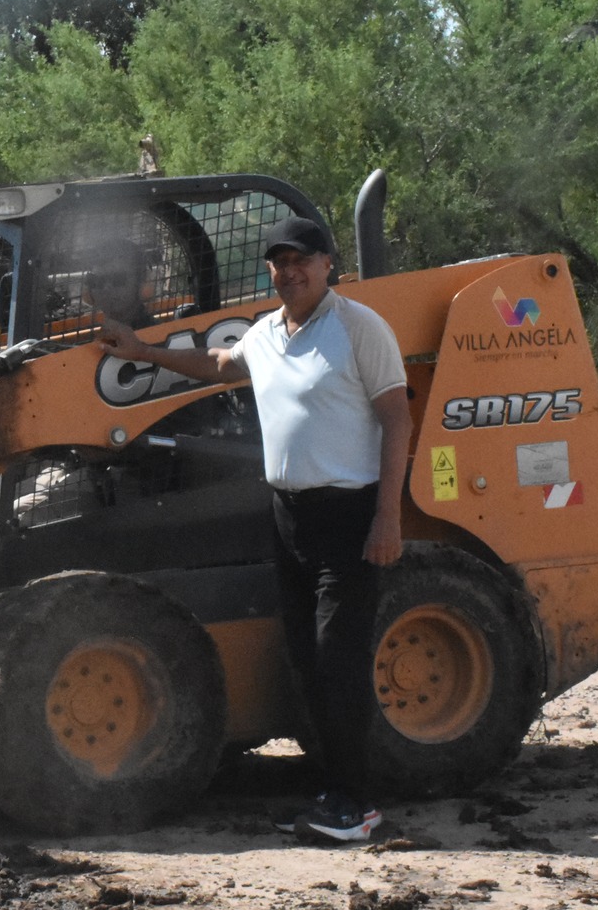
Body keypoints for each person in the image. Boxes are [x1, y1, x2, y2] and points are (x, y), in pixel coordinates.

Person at [94, 214, 411, 844]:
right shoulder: (267, 331)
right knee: (302, 657)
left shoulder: (359, 328)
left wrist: (388, 517)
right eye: (279, 262)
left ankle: (359, 804)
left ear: (328, 265)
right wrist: (143, 351)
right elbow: (219, 364)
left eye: (302, 260)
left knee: (337, 660)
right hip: (288, 516)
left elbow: (399, 421)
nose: (289, 271)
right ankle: (333, 790)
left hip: (350, 515)